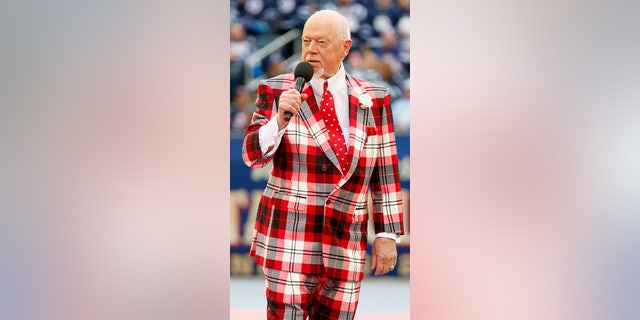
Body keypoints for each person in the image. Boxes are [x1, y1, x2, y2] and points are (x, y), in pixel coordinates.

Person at [241, 9, 404, 320]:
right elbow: (251, 155)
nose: (311, 50)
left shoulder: (374, 98)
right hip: (288, 233)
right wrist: (278, 120)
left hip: (346, 238)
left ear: (345, 47)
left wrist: (387, 235)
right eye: (306, 41)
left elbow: (385, 171)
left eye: (321, 42)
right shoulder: (276, 89)